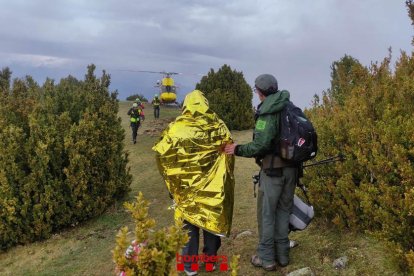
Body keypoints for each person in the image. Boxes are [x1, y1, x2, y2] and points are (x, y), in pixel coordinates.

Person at [153, 90, 234, 276]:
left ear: (186, 105)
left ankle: (189, 267)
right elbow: (228, 152)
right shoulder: (219, 126)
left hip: (184, 188)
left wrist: (171, 181)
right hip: (213, 187)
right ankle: (211, 261)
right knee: (211, 221)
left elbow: (161, 153)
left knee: (188, 225)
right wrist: (223, 178)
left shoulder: (176, 128)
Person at [224, 74, 298, 271]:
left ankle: (266, 258)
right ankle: (283, 256)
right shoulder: (287, 105)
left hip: (273, 172)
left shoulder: (268, 111)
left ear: (260, 91)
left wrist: (237, 149)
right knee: (284, 211)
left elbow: (261, 145)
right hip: (292, 170)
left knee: (267, 214)